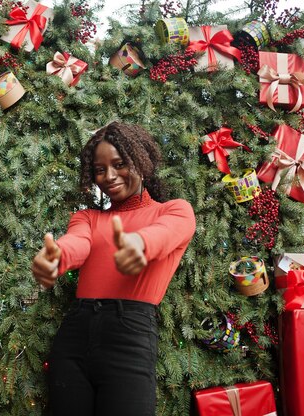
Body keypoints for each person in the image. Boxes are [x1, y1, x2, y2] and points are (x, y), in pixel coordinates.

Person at [31, 121, 196, 416]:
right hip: (74, 340)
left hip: (130, 338)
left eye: (119, 164)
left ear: (141, 161)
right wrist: (57, 258)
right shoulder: (87, 218)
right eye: (99, 169)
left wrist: (139, 244)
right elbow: (77, 243)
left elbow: (163, 233)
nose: (108, 176)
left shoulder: (174, 210)